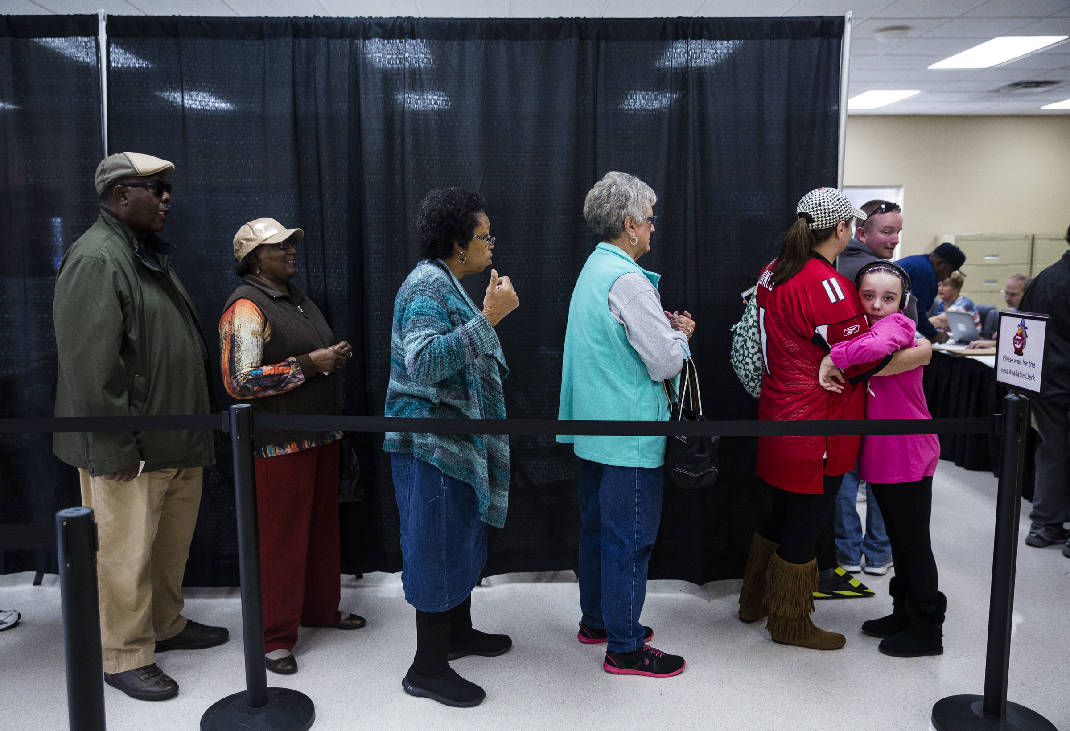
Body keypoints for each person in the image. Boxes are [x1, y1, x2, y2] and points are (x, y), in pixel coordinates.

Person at [53, 152, 227, 701]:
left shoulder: (142, 252)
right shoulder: (97, 258)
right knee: (123, 554)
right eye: (156, 188)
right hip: (129, 449)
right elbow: (89, 368)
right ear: (121, 195)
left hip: (173, 441)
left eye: (167, 188)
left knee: (167, 549)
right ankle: (124, 655)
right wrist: (114, 448)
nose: (167, 197)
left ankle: (164, 624)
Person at [736, 187, 929, 651]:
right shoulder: (826, 285)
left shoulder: (773, 270)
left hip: (778, 410)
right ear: (842, 229)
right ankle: (790, 622)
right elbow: (863, 357)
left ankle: (754, 599)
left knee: (780, 511)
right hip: (818, 421)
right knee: (805, 522)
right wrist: (922, 350)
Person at [384, 188, 519, 707]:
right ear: (459, 243)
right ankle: (426, 668)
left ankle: (457, 635)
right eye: (484, 235)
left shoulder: (446, 281)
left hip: (452, 444)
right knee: (436, 547)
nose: (491, 243)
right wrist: (489, 320)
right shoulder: (425, 284)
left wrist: (484, 317)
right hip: (429, 446)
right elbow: (423, 364)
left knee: (458, 539)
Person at [558, 171, 693, 678]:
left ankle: (598, 621)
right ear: (631, 224)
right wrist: (682, 336)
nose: (654, 228)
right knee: (629, 539)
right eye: (650, 219)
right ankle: (625, 645)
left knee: (599, 532)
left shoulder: (594, 267)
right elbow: (666, 362)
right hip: (629, 434)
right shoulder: (629, 280)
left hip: (595, 428)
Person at [219, 217, 365, 676]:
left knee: (322, 532)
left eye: (290, 243)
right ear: (253, 259)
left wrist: (330, 358)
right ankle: (274, 639)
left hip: (319, 437)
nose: (289, 250)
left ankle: (320, 609)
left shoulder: (298, 300)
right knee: (281, 541)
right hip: (277, 447)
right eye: (277, 245)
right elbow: (239, 381)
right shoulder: (246, 306)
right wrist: (311, 364)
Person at [821, 261, 944, 656]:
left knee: (913, 543)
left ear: (902, 302)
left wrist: (833, 357)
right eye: (868, 296)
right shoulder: (864, 328)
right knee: (900, 540)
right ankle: (904, 612)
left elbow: (873, 350)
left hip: (906, 449)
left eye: (888, 298)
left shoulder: (898, 326)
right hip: (886, 450)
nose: (877, 305)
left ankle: (927, 630)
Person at [832, 201, 901, 581]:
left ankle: (848, 550)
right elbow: (905, 342)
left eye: (897, 231)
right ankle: (876, 552)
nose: (894, 239)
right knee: (879, 477)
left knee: (846, 475)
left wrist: (835, 359)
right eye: (887, 231)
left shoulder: (833, 270)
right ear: (858, 231)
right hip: (884, 399)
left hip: (843, 395)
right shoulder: (888, 274)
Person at [1019, 226, 1070, 555]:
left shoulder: (1044, 279)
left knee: (1053, 451)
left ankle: (1044, 525)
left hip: (1046, 382)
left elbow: (1022, 325)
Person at [897, 242, 966, 343]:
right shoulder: (926, 273)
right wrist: (934, 335)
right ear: (940, 263)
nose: (947, 277)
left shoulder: (918, 261)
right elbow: (916, 313)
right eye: (949, 271)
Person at [967, 273, 1030, 350]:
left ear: (1027, 294)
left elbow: (1026, 342)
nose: (1007, 298)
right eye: (1006, 293)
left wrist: (992, 343)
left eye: (1013, 295)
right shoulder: (1013, 311)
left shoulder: (1033, 316)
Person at [927, 271, 980, 335]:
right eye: (938, 285)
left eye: (944, 285)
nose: (940, 288)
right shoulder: (942, 304)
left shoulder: (964, 304)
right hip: (953, 338)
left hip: (972, 340)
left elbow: (939, 320)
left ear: (956, 288)